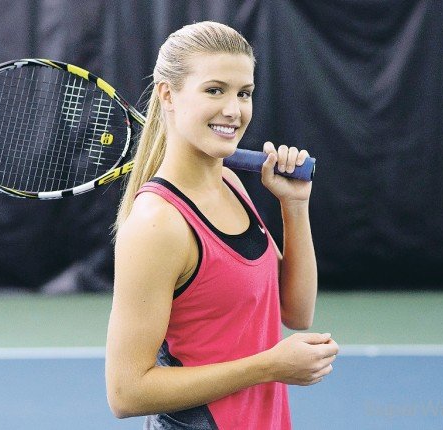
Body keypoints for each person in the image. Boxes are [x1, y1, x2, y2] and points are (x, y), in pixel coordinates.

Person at [105, 21, 338, 429]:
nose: (234, 110)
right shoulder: (157, 225)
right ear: (168, 94)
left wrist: (294, 206)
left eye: (244, 93)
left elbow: (297, 311)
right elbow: (127, 393)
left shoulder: (229, 181)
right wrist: (269, 366)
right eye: (215, 90)